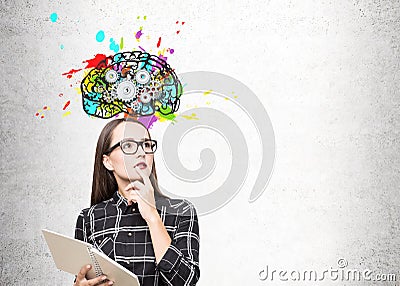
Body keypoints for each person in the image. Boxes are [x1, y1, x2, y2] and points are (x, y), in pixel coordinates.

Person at [73, 118, 200, 286]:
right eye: (128, 146)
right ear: (107, 161)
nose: (142, 152)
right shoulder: (88, 218)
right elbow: (84, 278)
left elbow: (186, 282)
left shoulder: (181, 211)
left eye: (146, 145)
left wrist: (153, 217)